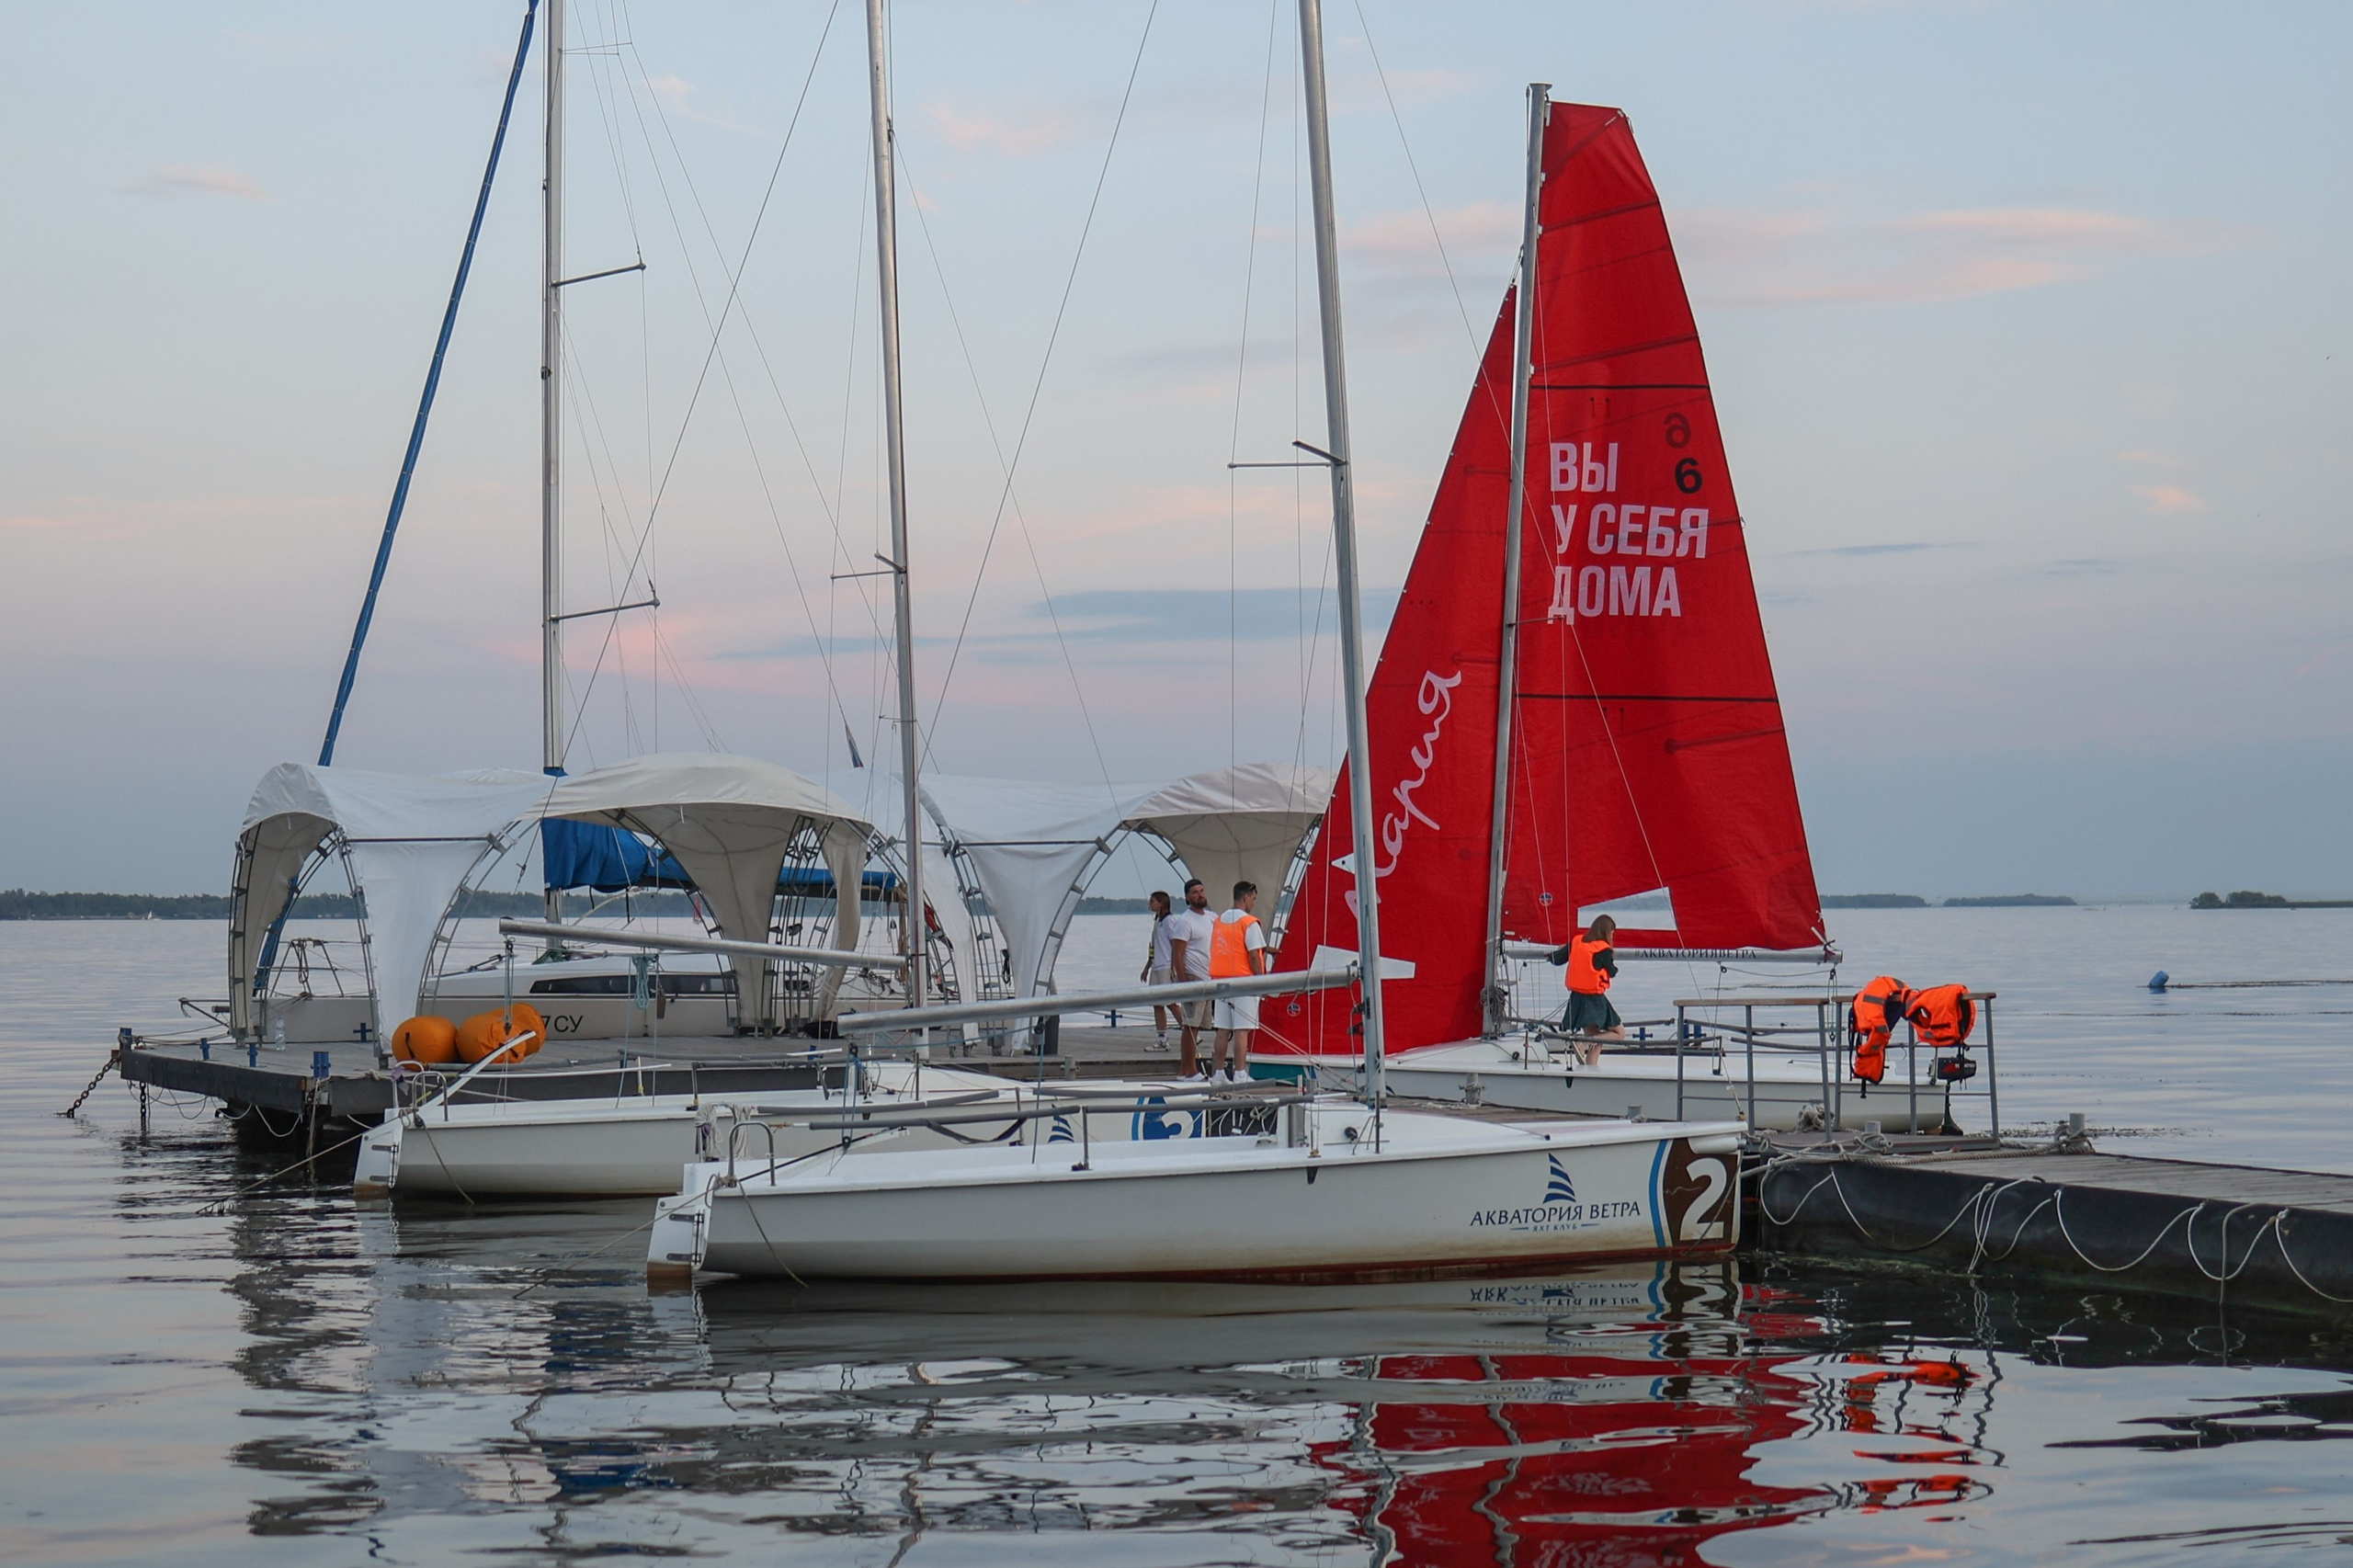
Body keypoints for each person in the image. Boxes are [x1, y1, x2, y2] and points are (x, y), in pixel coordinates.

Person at [1208, 880, 1270, 1082]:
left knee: (1223, 1029)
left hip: (1221, 981)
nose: (1253, 903)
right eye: (1253, 898)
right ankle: (1240, 1073)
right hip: (1244, 981)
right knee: (1242, 1029)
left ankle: (1218, 1073)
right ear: (1246, 897)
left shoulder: (1219, 920)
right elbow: (1254, 955)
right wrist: (1260, 980)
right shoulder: (1249, 923)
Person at [1548, 915, 1626, 1066]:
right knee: (1620, 1033)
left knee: (1596, 1040)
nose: (1612, 937)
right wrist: (1611, 958)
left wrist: (1556, 952)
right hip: (1594, 999)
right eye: (1612, 933)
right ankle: (1582, 1044)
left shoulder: (1577, 941)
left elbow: (1557, 959)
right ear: (1606, 932)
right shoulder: (1603, 950)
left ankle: (1590, 1068)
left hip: (1577, 998)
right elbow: (1612, 972)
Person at [1163, 879, 1215, 1077]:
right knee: (1190, 1025)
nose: (1200, 895)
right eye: (1195, 892)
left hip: (1207, 977)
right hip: (1192, 977)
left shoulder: (1211, 918)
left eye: (1202, 891)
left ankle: (1189, 1069)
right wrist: (1183, 981)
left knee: (1200, 1026)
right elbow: (1177, 954)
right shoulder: (1184, 921)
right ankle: (1188, 1070)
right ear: (1187, 897)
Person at [1139, 890, 1176, 1050]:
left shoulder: (1169, 921)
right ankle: (1162, 1038)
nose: (1150, 904)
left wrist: (1175, 966)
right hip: (1156, 966)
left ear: (1161, 903)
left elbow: (1176, 944)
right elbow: (1153, 947)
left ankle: (1191, 1031)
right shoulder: (1157, 922)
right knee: (1157, 1004)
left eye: (1153, 901)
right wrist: (1147, 967)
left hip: (1166, 966)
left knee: (1171, 1002)